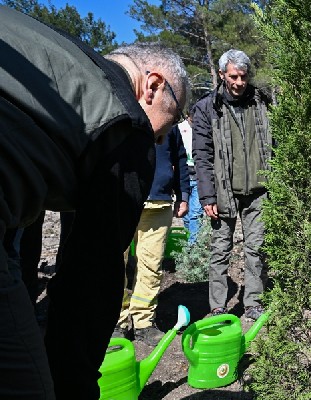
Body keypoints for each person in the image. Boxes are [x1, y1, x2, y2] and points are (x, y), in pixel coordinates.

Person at [0, 6, 189, 398]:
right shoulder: (125, 120)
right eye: (166, 126)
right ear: (152, 86)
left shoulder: (51, 56)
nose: (157, 142)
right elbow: (90, 276)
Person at [192, 49, 272, 321]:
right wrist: (207, 196)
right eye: (234, 76)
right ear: (222, 75)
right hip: (222, 192)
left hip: (259, 191)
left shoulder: (261, 102)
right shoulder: (207, 107)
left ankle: (252, 302)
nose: (239, 82)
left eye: (243, 76)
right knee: (220, 250)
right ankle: (217, 305)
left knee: (256, 249)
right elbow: (201, 156)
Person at [116, 126, 190, 344]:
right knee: (115, 264)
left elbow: (180, 157)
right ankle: (116, 321)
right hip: (121, 198)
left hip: (158, 202)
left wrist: (183, 194)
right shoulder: (119, 110)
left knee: (151, 264)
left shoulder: (169, 120)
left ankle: (143, 322)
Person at [178, 112, 204, 245]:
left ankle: (193, 246)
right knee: (186, 216)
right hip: (185, 177)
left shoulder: (204, 128)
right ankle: (189, 243)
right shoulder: (180, 129)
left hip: (199, 176)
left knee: (195, 213)